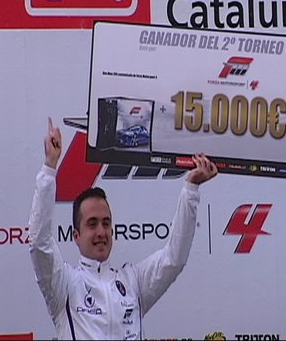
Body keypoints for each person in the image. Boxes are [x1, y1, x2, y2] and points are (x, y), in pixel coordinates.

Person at [28, 118, 218, 340]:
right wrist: (49, 168)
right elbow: (39, 242)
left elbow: (174, 259)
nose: (101, 232)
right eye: (92, 224)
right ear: (76, 236)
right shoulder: (65, 285)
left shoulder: (133, 282)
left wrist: (191, 189)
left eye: (106, 223)